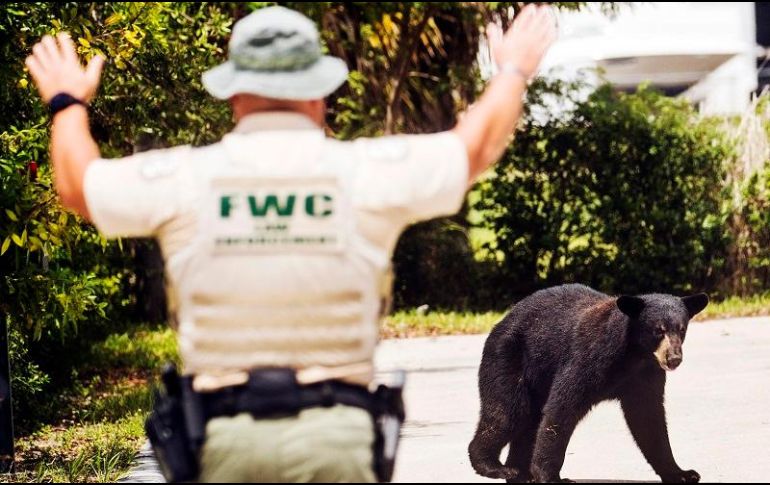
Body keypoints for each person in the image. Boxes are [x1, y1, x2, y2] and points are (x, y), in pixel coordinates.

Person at [25, 4, 556, 483]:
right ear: (319, 92)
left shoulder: (184, 179)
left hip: (221, 440)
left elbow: (78, 188)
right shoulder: (366, 173)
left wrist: (67, 102)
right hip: (337, 439)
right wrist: (512, 69)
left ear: (233, 94)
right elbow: (473, 149)